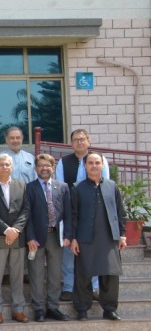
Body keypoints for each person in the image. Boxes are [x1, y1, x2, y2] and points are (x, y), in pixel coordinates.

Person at [68, 152, 126, 321]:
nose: (94, 166)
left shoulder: (112, 186)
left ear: (102, 165)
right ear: (85, 166)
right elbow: (73, 215)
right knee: (83, 274)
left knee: (110, 274)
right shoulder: (77, 188)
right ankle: (82, 309)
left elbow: (120, 212)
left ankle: (110, 309)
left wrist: (122, 234)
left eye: (97, 163)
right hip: (84, 237)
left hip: (109, 237)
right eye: (91, 163)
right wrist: (73, 238)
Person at [55, 128, 109, 301]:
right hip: (70, 210)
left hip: (93, 212)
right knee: (68, 250)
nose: (79, 142)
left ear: (88, 141)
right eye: (76, 140)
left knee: (93, 249)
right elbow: (61, 187)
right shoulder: (63, 162)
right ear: (71, 143)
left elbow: (105, 185)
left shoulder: (99, 160)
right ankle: (69, 287)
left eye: (82, 139)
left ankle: (94, 287)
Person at [24, 153, 72, 322]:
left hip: (56, 237)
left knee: (55, 274)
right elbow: (27, 215)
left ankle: (53, 307)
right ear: (36, 168)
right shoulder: (29, 188)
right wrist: (30, 237)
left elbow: (68, 214)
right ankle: (38, 308)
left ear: (53, 167)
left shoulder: (63, 187)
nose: (44, 168)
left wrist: (68, 235)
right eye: (41, 166)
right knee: (36, 273)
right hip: (36, 238)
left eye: (47, 165)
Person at [0, 154, 29, 324]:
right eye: (1, 164)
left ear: (12, 167)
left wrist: (15, 229)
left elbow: (26, 209)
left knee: (17, 275)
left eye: (7, 164)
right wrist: (5, 229)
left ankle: (18, 309)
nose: (4, 167)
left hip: (18, 236)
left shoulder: (22, 185)